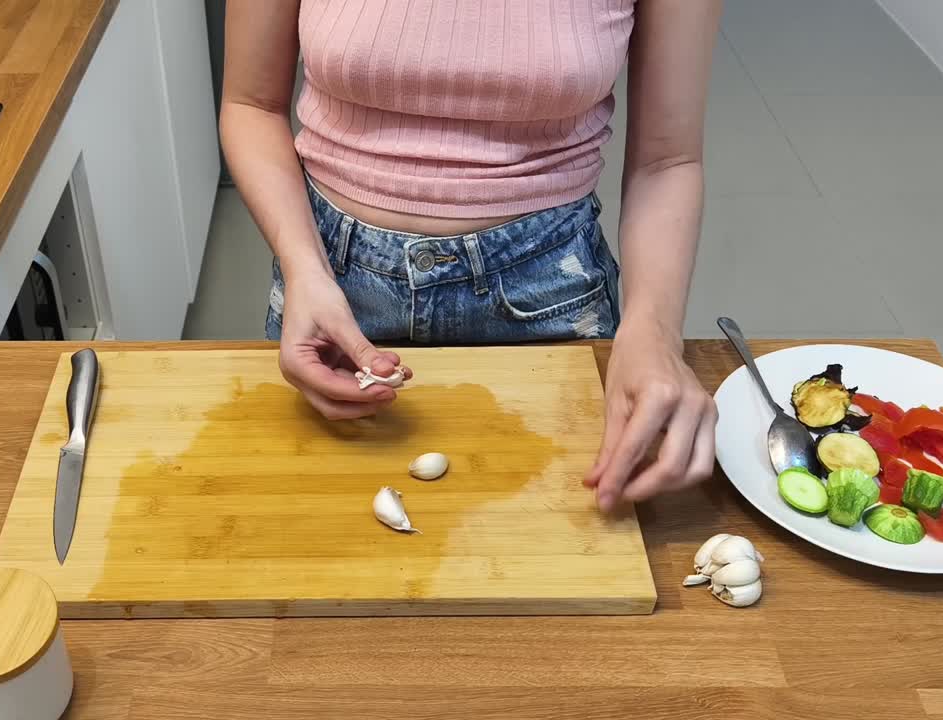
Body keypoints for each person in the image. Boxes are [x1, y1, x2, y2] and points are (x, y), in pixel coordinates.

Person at [220, 0, 722, 511]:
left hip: (549, 290)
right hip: (329, 283)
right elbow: (251, 105)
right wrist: (304, 268)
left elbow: (668, 160)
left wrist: (655, 331)